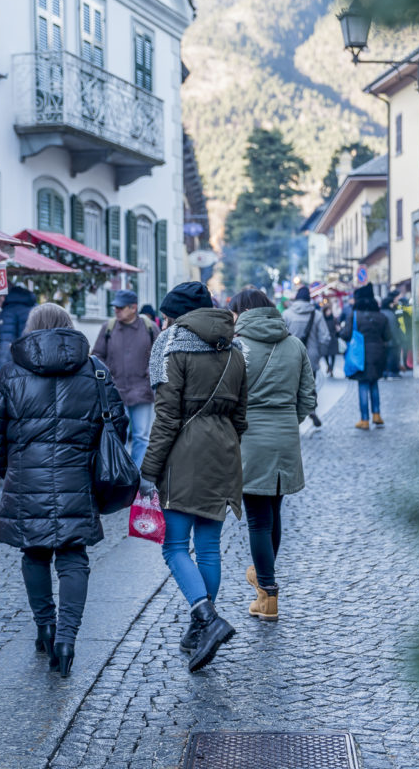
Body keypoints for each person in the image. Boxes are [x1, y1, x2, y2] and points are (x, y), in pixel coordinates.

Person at [0, 303, 128, 678]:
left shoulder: (12, 371)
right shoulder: (95, 369)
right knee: (73, 557)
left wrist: (8, 469)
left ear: (31, 328)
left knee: (34, 553)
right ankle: (66, 638)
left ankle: (45, 627)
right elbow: (117, 424)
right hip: (76, 476)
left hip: (26, 477)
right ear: (68, 327)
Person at [141, 281, 247, 672]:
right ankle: (200, 630)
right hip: (224, 452)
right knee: (206, 548)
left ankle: (206, 617)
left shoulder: (174, 347)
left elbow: (166, 417)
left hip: (184, 453)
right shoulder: (235, 348)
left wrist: (148, 470)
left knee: (173, 547)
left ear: (176, 315)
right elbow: (241, 416)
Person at [229, 289, 315, 622]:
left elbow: (227, 396)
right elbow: (308, 398)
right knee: (275, 512)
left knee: (258, 520)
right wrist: (287, 422)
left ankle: (267, 593)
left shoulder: (238, 346)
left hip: (250, 439)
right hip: (285, 438)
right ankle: (264, 583)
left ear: (243, 312)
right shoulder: (295, 345)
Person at [91, 289, 158, 467]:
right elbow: (97, 356)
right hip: (115, 392)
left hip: (141, 391)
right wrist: (107, 378)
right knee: (117, 434)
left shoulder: (150, 327)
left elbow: (159, 355)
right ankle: (120, 474)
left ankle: (136, 475)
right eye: (115, 307)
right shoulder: (108, 328)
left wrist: (149, 374)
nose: (116, 310)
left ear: (133, 307)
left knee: (141, 436)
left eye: (120, 307)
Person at [340, 283, 392, 429]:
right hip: (378, 354)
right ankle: (377, 414)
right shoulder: (381, 316)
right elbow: (388, 336)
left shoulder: (355, 315)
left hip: (360, 355)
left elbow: (345, 334)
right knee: (374, 383)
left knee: (363, 384)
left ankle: (364, 420)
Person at [282, 286, 330, 426]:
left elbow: (281, 335)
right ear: (309, 299)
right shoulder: (317, 315)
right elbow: (325, 337)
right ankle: (312, 409)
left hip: (291, 356)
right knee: (310, 385)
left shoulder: (287, 314)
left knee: (292, 386)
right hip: (311, 356)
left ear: (296, 298)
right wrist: (319, 353)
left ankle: (293, 414)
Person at [0, 285, 37, 368]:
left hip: (20, 364)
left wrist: (1, 376)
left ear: (1, 297)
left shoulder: (8, 312)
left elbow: (6, 346)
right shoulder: (35, 306)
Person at [380, 294, 402, 378]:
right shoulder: (391, 314)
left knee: (384, 357)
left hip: (382, 340)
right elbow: (394, 328)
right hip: (392, 339)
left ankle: (384, 372)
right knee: (392, 357)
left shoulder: (381, 312)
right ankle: (391, 372)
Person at [321, 300, 338, 377]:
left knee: (333, 354)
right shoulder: (322, 320)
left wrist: (338, 328)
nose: (329, 312)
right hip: (326, 339)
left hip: (333, 339)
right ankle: (328, 366)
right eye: (327, 311)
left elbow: (337, 328)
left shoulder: (334, 319)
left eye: (329, 311)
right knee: (326, 354)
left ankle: (332, 369)